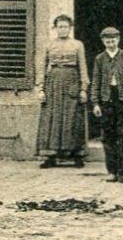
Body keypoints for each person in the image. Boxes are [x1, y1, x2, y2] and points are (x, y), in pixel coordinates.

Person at [35, 13, 89, 168]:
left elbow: (83, 67)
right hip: (53, 84)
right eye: (60, 27)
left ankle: (76, 155)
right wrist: (41, 89)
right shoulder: (48, 44)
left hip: (72, 82)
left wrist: (83, 88)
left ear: (70, 28)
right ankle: (50, 156)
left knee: (72, 118)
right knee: (52, 118)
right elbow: (41, 68)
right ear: (55, 28)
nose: (63, 30)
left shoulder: (78, 45)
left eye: (65, 27)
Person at [90, 26, 123, 182]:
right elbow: (96, 81)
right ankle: (111, 171)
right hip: (106, 99)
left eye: (113, 41)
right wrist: (96, 103)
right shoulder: (99, 59)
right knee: (108, 136)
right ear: (103, 42)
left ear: (118, 40)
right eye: (107, 41)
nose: (110, 44)